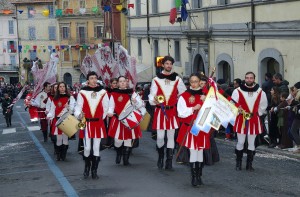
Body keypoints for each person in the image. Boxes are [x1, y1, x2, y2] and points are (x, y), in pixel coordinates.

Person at [148, 56, 186, 170]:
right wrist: (153, 100)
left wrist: (178, 100)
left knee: (170, 137)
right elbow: (152, 94)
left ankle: (169, 161)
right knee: (160, 137)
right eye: (167, 63)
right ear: (163, 65)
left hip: (172, 111)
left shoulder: (178, 79)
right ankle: (160, 156)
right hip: (160, 111)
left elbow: (183, 93)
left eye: (170, 64)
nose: (169, 65)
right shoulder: (156, 79)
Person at [176, 73, 210, 186]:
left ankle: (199, 175)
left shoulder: (206, 95)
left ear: (200, 82)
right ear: (189, 82)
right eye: (192, 81)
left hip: (202, 127)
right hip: (190, 127)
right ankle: (194, 177)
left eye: (196, 81)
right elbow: (181, 113)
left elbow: (211, 110)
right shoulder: (184, 95)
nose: (194, 83)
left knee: (200, 151)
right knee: (193, 151)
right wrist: (193, 108)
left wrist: (206, 101)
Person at [74, 71, 109, 179]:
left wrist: (100, 118)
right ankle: (87, 168)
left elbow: (106, 107)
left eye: (95, 78)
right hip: (86, 123)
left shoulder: (103, 92)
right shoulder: (82, 92)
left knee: (96, 148)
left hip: (97, 123)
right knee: (87, 148)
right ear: (87, 80)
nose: (93, 80)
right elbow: (78, 107)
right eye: (91, 78)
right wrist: (79, 115)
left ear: (97, 79)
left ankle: (94, 170)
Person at [231, 71, 268, 171]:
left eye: (251, 78)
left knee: (252, 143)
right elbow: (232, 103)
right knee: (241, 141)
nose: (249, 79)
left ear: (254, 79)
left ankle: (249, 164)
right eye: (247, 78)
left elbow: (263, 105)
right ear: (245, 79)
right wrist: (237, 110)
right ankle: (238, 163)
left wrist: (257, 114)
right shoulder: (237, 91)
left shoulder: (260, 91)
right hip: (241, 119)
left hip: (254, 119)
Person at [107, 76, 145, 166]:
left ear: (127, 83)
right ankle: (118, 153)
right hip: (118, 120)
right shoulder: (114, 93)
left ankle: (126, 159)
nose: (123, 83)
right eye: (121, 81)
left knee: (128, 139)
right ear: (118, 83)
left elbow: (141, 105)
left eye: (124, 81)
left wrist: (135, 102)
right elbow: (111, 107)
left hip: (129, 119)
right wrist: (109, 112)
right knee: (117, 141)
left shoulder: (132, 93)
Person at [47, 82, 75, 161]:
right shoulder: (55, 99)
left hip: (66, 120)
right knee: (59, 138)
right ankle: (58, 154)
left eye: (63, 86)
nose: (62, 88)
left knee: (65, 138)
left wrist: (68, 107)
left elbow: (73, 110)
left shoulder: (70, 98)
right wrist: (49, 116)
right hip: (58, 120)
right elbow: (52, 110)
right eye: (60, 87)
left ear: (66, 88)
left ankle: (64, 155)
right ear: (58, 88)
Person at [288, 82, 300, 153]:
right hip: (297, 115)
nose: (294, 89)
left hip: (298, 116)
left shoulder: (299, 94)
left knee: (293, 130)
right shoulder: (297, 95)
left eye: (295, 87)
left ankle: (299, 146)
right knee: (293, 130)